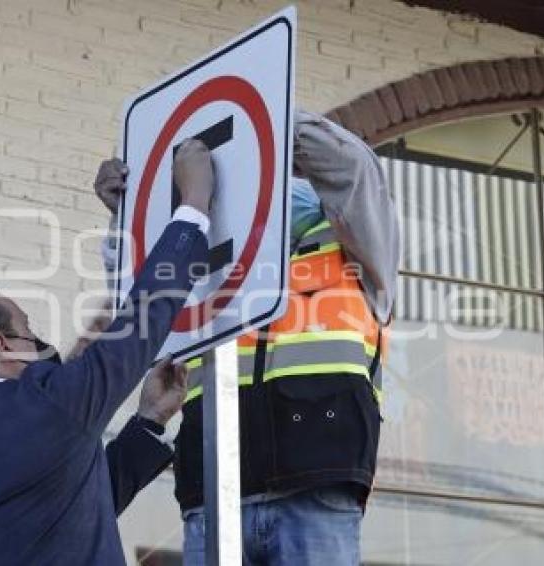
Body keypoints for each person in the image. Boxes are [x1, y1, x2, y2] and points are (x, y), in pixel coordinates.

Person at [97, 111, 400, 565]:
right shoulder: (213, 264)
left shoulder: (357, 249)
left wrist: (261, 114)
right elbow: (140, 293)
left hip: (315, 489)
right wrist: (130, 208)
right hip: (211, 494)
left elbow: (351, 168)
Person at [0, 139, 214, 566]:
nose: (38, 338)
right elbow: (141, 320)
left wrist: (148, 424)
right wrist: (194, 208)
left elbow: (70, 509)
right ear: (1, 345)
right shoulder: (38, 401)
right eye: (26, 328)